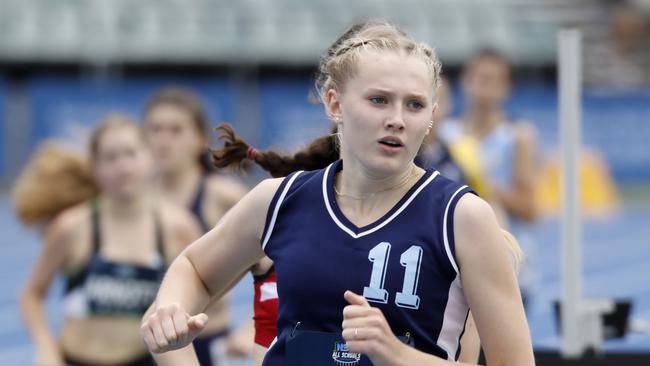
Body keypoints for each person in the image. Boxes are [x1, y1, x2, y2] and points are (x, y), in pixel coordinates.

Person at [142, 21, 534, 366]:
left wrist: (397, 356)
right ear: (335, 102)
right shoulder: (280, 200)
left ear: (432, 115)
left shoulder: (462, 217)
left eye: (414, 105)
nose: (396, 119)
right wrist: (170, 313)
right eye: (379, 100)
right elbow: (194, 270)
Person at [14, 115, 200, 366]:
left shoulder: (178, 226)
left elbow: (207, 293)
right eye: (111, 158)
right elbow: (32, 295)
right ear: (95, 167)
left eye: (131, 154)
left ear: (149, 158)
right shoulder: (72, 227)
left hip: (144, 360)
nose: (123, 167)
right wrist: (46, 348)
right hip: (76, 359)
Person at [143, 88, 255, 365]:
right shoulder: (135, 197)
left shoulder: (224, 196)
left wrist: (250, 330)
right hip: (145, 342)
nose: (163, 140)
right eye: (155, 130)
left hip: (203, 343)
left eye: (175, 130)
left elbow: (281, 269)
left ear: (199, 139)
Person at [439, 49, 539, 306]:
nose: (485, 88)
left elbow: (529, 210)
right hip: (455, 256)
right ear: (465, 81)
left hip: (505, 256)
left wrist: (480, 184)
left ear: (506, 88)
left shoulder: (517, 135)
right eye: (480, 78)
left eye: (494, 80)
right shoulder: (444, 131)